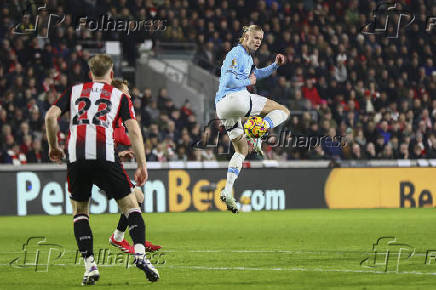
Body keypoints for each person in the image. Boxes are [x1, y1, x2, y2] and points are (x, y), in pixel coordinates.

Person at [44, 54, 159, 285]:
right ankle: (139, 255)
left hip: (76, 156)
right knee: (131, 206)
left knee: (81, 212)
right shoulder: (120, 96)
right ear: (112, 74)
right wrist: (142, 165)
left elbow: (50, 117)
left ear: (90, 74)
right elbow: (134, 132)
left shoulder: (75, 91)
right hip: (105, 155)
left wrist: (53, 146)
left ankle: (90, 268)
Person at [215, 25, 290, 213]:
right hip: (235, 98)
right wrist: (248, 82)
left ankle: (227, 190)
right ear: (246, 36)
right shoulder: (236, 53)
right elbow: (231, 81)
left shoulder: (247, 57)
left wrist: (275, 66)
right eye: (255, 37)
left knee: (241, 150)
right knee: (282, 110)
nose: (258, 41)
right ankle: (258, 131)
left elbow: (256, 75)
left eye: (260, 39)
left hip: (223, 108)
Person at [108, 79, 161, 253]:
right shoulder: (115, 108)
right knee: (136, 199)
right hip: (105, 165)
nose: (129, 95)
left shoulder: (110, 111)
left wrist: (119, 153)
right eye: (126, 91)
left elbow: (110, 138)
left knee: (137, 198)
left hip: (108, 160)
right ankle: (134, 241)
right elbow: (123, 137)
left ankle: (120, 238)